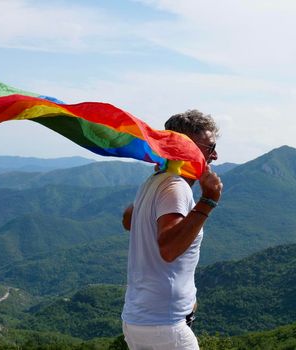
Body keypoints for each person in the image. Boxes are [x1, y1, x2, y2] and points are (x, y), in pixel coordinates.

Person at [120, 109, 222, 350]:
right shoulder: (175, 187)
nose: (215, 155)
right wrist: (208, 200)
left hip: (139, 319)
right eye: (209, 147)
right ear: (184, 148)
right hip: (164, 325)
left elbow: (128, 220)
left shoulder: (155, 181)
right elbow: (169, 248)